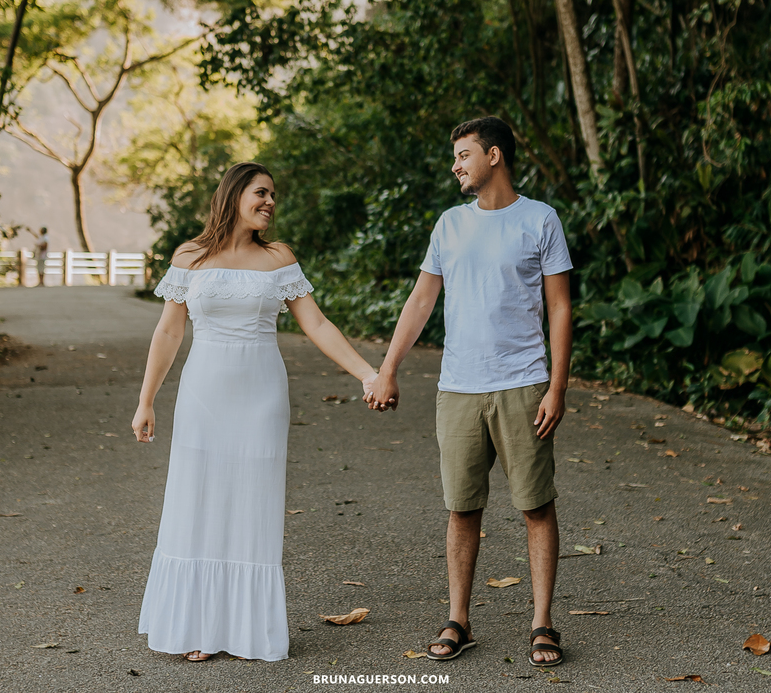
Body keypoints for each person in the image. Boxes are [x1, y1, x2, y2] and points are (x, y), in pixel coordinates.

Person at [131, 162, 378, 662]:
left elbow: (318, 324)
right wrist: (146, 400)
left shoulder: (279, 258)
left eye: (273, 196)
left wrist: (367, 374)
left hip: (262, 396)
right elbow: (169, 332)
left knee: (252, 504)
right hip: (203, 395)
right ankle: (195, 628)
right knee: (197, 501)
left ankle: (245, 631)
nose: (269, 202)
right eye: (261, 193)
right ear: (234, 194)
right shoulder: (190, 256)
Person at [367, 116, 573, 667]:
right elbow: (420, 302)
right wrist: (387, 369)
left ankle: (542, 623)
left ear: (494, 156)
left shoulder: (540, 220)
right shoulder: (449, 226)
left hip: (523, 384)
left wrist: (556, 386)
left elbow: (559, 306)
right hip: (458, 388)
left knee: (535, 505)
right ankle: (458, 619)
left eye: (463, 155)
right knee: (462, 509)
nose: (456, 166)